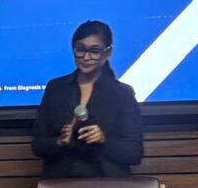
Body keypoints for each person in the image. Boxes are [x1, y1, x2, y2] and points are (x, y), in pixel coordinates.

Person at [31, 20, 143, 179]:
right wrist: (59, 142)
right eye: (80, 49)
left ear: (107, 53)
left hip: (108, 183)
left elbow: (134, 154)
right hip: (60, 182)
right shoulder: (55, 88)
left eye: (94, 51)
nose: (86, 57)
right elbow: (37, 146)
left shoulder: (122, 94)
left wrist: (103, 139)